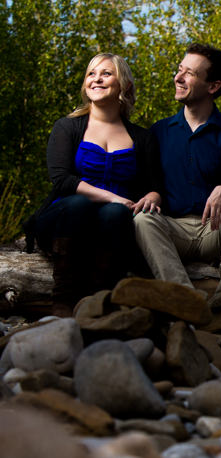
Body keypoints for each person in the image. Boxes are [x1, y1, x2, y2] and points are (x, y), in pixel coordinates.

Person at [24, 53, 162, 316]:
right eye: (91, 74)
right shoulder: (68, 127)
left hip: (114, 220)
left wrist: (154, 196)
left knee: (116, 213)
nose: (96, 79)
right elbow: (62, 181)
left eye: (106, 74)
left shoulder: (142, 137)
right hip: (66, 216)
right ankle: (63, 301)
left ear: (124, 85)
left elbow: (154, 185)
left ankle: (99, 300)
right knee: (79, 204)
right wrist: (112, 197)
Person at [133, 42, 221, 312]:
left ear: (213, 86)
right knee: (143, 220)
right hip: (170, 230)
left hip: (214, 230)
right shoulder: (158, 132)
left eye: (189, 73)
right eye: (179, 70)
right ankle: (185, 298)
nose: (178, 78)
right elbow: (146, 185)